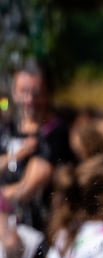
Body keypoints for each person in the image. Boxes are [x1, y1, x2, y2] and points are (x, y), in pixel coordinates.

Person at [1, 62, 74, 233]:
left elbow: (27, 188)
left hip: (38, 229)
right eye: (23, 92)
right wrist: (17, 156)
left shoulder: (55, 133)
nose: (29, 100)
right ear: (14, 93)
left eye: (36, 94)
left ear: (49, 94)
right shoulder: (7, 129)